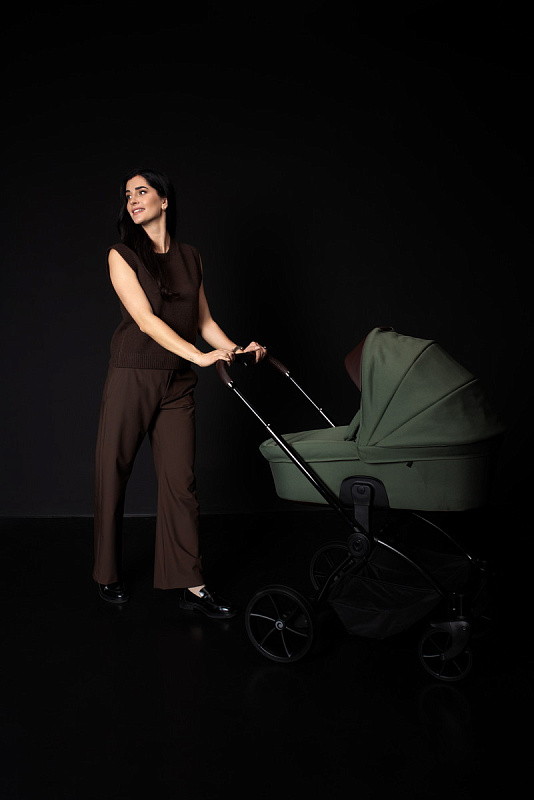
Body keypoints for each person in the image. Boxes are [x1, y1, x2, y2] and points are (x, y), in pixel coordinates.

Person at [92, 167, 266, 618]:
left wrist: (236, 350)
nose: (132, 199)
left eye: (142, 191)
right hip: (133, 374)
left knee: (181, 483)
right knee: (113, 473)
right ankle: (106, 572)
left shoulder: (191, 257)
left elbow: (203, 321)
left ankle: (191, 583)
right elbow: (146, 320)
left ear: (164, 200)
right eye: (127, 194)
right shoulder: (121, 255)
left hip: (177, 382)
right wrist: (199, 356)